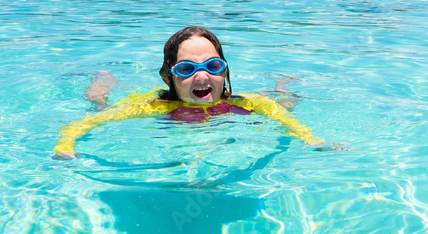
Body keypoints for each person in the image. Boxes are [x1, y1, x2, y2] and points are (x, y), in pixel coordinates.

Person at [53, 26, 322, 158]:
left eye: (213, 66)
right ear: (168, 77)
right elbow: (82, 125)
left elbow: (288, 123)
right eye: (187, 69)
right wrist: (65, 147)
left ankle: (281, 84)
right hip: (149, 104)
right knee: (99, 106)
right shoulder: (152, 107)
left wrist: (311, 140)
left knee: (284, 105)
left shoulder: (250, 103)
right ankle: (102, 77)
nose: (203, 76)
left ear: (225, 72)